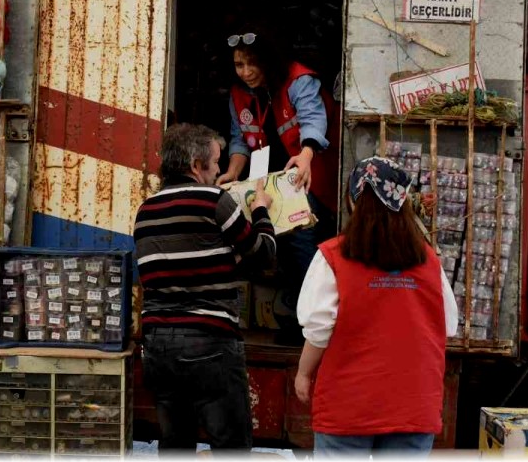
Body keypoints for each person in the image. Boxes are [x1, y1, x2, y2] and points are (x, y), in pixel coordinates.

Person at [293, 157, 459, 457]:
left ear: (353, 201)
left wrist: (304, 374)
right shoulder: (428, 260)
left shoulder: (333, 256)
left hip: (348, 406)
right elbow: (448, 324)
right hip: (414, 406)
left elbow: (318, 329)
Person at [132, 123, 277, 453]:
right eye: (215, 163)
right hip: (209, 342)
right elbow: (263, 256)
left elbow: (176, 267)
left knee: (175, 444)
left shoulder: (145, 210)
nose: (218, 172)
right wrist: (260, 209)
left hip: (158, 346)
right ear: (197, 166)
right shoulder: (214, 200)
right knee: (231, 446)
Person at [216, 29, 339, 344]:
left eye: (252, 64)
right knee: (279, 247)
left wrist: (307, 154)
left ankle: (312, 331)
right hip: (271, 186)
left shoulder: (299, 81)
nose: (246, 72)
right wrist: (232, 172)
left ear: (269, 60)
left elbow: (314, 120)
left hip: (308, 177)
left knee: (302, 247)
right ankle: (302, 323)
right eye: (239, 65)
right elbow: (240, 139)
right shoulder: (238, 94)